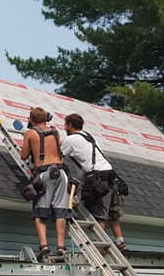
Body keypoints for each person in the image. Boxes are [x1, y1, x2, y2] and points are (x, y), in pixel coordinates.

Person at [60, 113, 127, 251]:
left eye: (65, 124)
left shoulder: (71, 139)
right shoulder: (88, 136)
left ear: (70, 125)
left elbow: (58, 156)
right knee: (112, 214)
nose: (64, 127)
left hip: (98, 179)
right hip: (111, 176)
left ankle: (100, 248)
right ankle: (120, 242)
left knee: (99, 216)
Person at [19, 107, 71, 261]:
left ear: (32, 119)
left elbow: (23, 155)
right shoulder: (55, 131)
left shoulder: (30, 133)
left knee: (40, 211)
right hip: (61, 173)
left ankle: (44, 246)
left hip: (45, 173)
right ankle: (61, 246)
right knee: (61, 210)